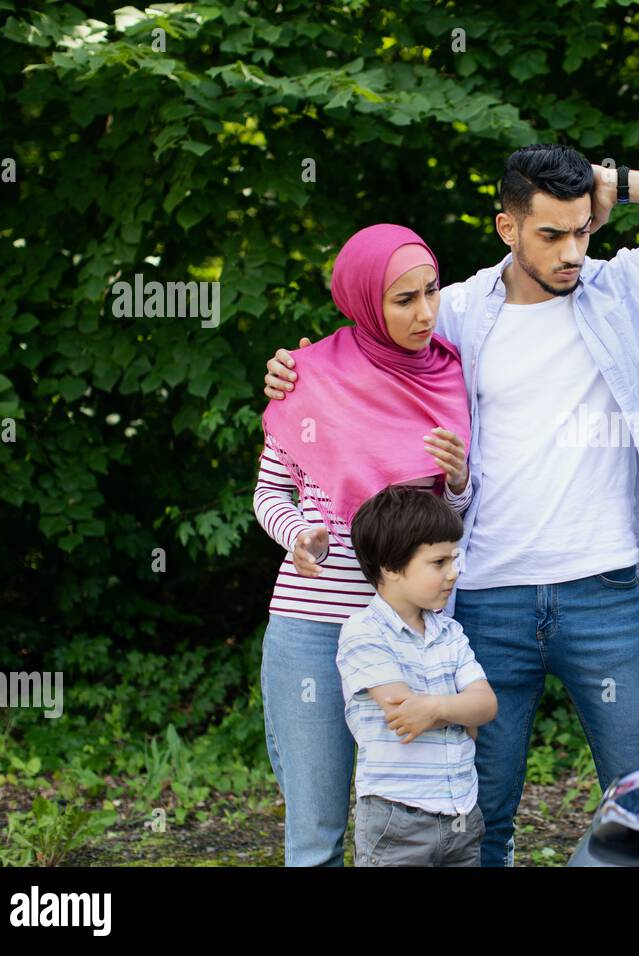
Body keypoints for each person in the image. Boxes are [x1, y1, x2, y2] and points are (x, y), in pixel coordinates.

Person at [263, 145, 639, 866]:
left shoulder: (636, 288)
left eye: (581, 231)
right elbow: (370, 346)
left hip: (604, 596)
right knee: (480, 820)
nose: (571, 253)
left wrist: (616, 185)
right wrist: (296, 372)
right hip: (484, 601)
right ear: (507, 227)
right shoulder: (459, 312)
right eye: (550, 234)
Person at [252, 224, 472, 866]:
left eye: (431, 292)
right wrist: (301, 536)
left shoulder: (449, 376)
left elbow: (452, 519)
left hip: (411, 632)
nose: (425, 312)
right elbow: (269, 494)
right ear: (362, 300)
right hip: (314, 622)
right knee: (315, 834)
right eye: (404, 299)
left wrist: (458, 480)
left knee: (409, 833)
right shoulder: (307, 375)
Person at [338, 484, 497, 867]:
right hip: (398, 818)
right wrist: (459, 713)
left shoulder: (450, 633)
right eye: (439, 562)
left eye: (454, 560)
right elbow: (404, 713)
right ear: (391, 567)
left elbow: (487, 705)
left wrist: (438, 708)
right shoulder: (364, 632)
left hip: (461, 809)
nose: (453, 573)